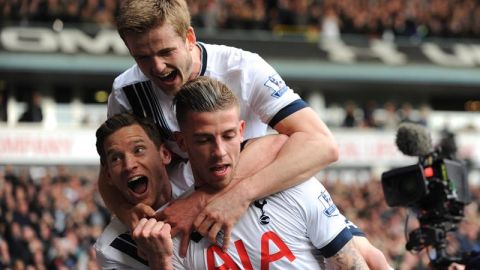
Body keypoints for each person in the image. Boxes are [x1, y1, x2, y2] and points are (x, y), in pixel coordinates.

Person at [100, 0, 339, 255]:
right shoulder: (127, 92)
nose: (157, 66)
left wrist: (223, 196)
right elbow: (106, 176)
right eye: (143, 57)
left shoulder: (243, 69)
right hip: (181, 223)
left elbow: (322, 145)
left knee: (370, 257)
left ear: (189, 37)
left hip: (255, 201)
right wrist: (127, 213)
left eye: (166, 52)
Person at [95, 78, 392, 270]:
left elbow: (354, 263)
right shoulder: (168, 236)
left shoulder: (293, 186)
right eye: (203, 140)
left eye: (227, 136)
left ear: (241, 132)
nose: (219, 151)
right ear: (182, 143)